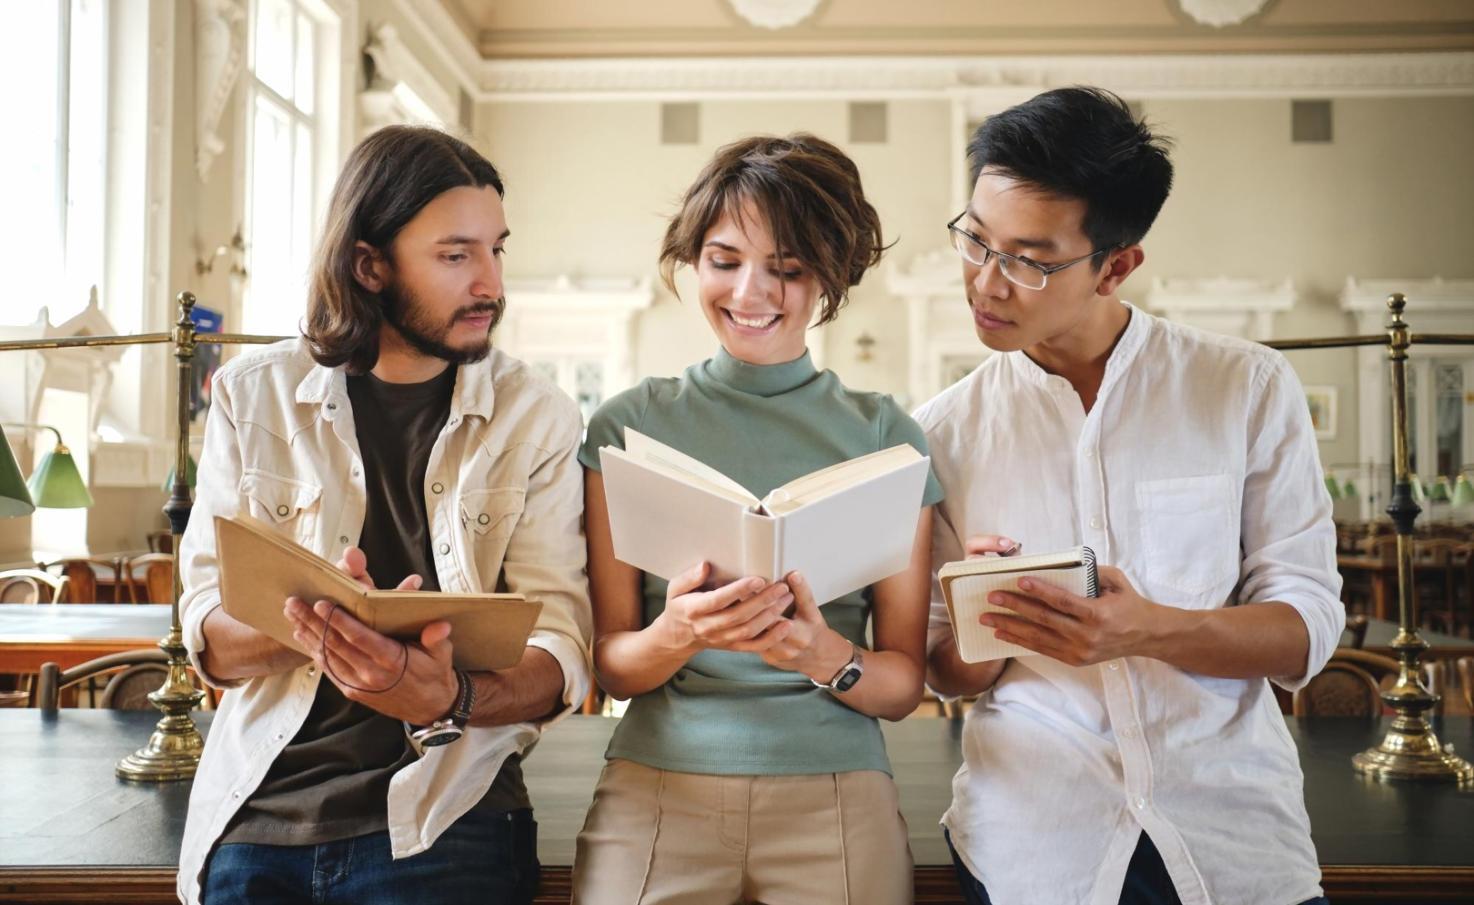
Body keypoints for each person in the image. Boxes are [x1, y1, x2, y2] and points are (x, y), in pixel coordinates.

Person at [916, 87, 1342, 905]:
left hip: (1234, 843)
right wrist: (988, 618)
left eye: (1030, 260)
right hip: (1034, 848)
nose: (987, 282)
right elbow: (942, 670)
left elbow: (1306, 631)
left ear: (1117, 264)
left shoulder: (1244, 387)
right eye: (975, 240)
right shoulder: (944, 430)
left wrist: (1150, 629)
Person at [175, 126, 592, 905]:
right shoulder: (250, 394)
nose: (492, 284)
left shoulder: (538, 417)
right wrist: (321, 620)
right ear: (370, 264)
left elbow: (561, 653)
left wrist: (446, 698)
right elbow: (211, 641)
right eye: (456, 254)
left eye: (497, 249)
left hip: (449, 809)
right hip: (258, 816)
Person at [571, 133, 943, 905]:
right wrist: (681, 631)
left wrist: (824, 653)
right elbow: (613, 662)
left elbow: (903, 680)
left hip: (838, 785)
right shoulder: (626, 427)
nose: (750, 292)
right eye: (724, 258)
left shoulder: (886, 436)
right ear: (692, 260)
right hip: (657, 781)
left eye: (788, 268)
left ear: (829, 280)